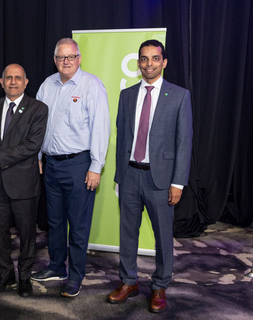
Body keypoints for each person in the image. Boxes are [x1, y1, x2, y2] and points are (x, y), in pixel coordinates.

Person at [107, 40, 193, 313]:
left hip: (162, 180)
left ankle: (159, 285)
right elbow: (122, 138)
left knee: (162, 236)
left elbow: (184, 142)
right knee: (127, 233)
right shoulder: (128, 95)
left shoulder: (179, 95)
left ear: (164, 62)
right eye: (144, 59)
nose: (149, 64)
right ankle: (128, 281)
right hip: (130, 176)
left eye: (154, 59)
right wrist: (120, 176)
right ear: (138, 63)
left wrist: (178, 182)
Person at [31, 38, 111, 297]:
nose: (66, 61)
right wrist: (39, 156)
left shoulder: (91, 85)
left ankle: (76, 276)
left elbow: (101, 127)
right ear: (55, 60)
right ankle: (56, 267)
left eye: (71, 56)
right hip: (51, 165)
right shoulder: (47, 85)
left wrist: (96, 166)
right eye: (61, 57)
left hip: (79, 165)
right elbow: (38, 125)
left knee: (77, 225)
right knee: (54, 222)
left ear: (79, 58)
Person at [0, 64, 48, 297]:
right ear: (1, 81)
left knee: (27, 234)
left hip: (24, 184)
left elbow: (32, 146)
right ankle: (5, 274)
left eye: (18, 78)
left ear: (26, 82)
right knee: (0, 235)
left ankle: (24, 276)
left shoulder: (38, 108)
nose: (13, 82)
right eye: (9, 78)